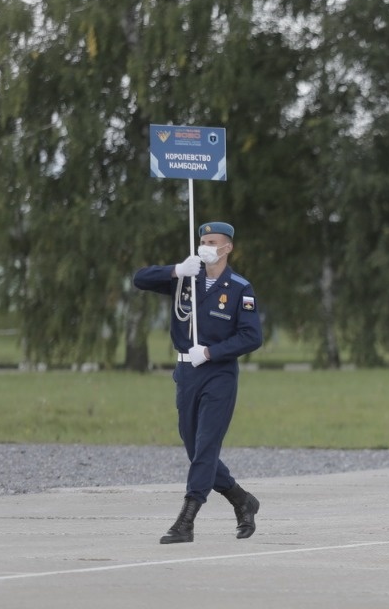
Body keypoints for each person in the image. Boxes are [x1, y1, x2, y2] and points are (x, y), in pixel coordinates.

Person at [133, 221, 263, 543]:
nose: (206, 245)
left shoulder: (239, 287)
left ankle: (186, 520)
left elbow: (251, 336)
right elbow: (139, 279)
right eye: (202, 240)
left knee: (206, 446)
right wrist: (176, 270)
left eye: (213, 241)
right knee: (195, 449)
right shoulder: (186, 278)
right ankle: (241, 500)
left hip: (218, 373)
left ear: (228, 247)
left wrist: (210, 351)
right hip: (187, 373)